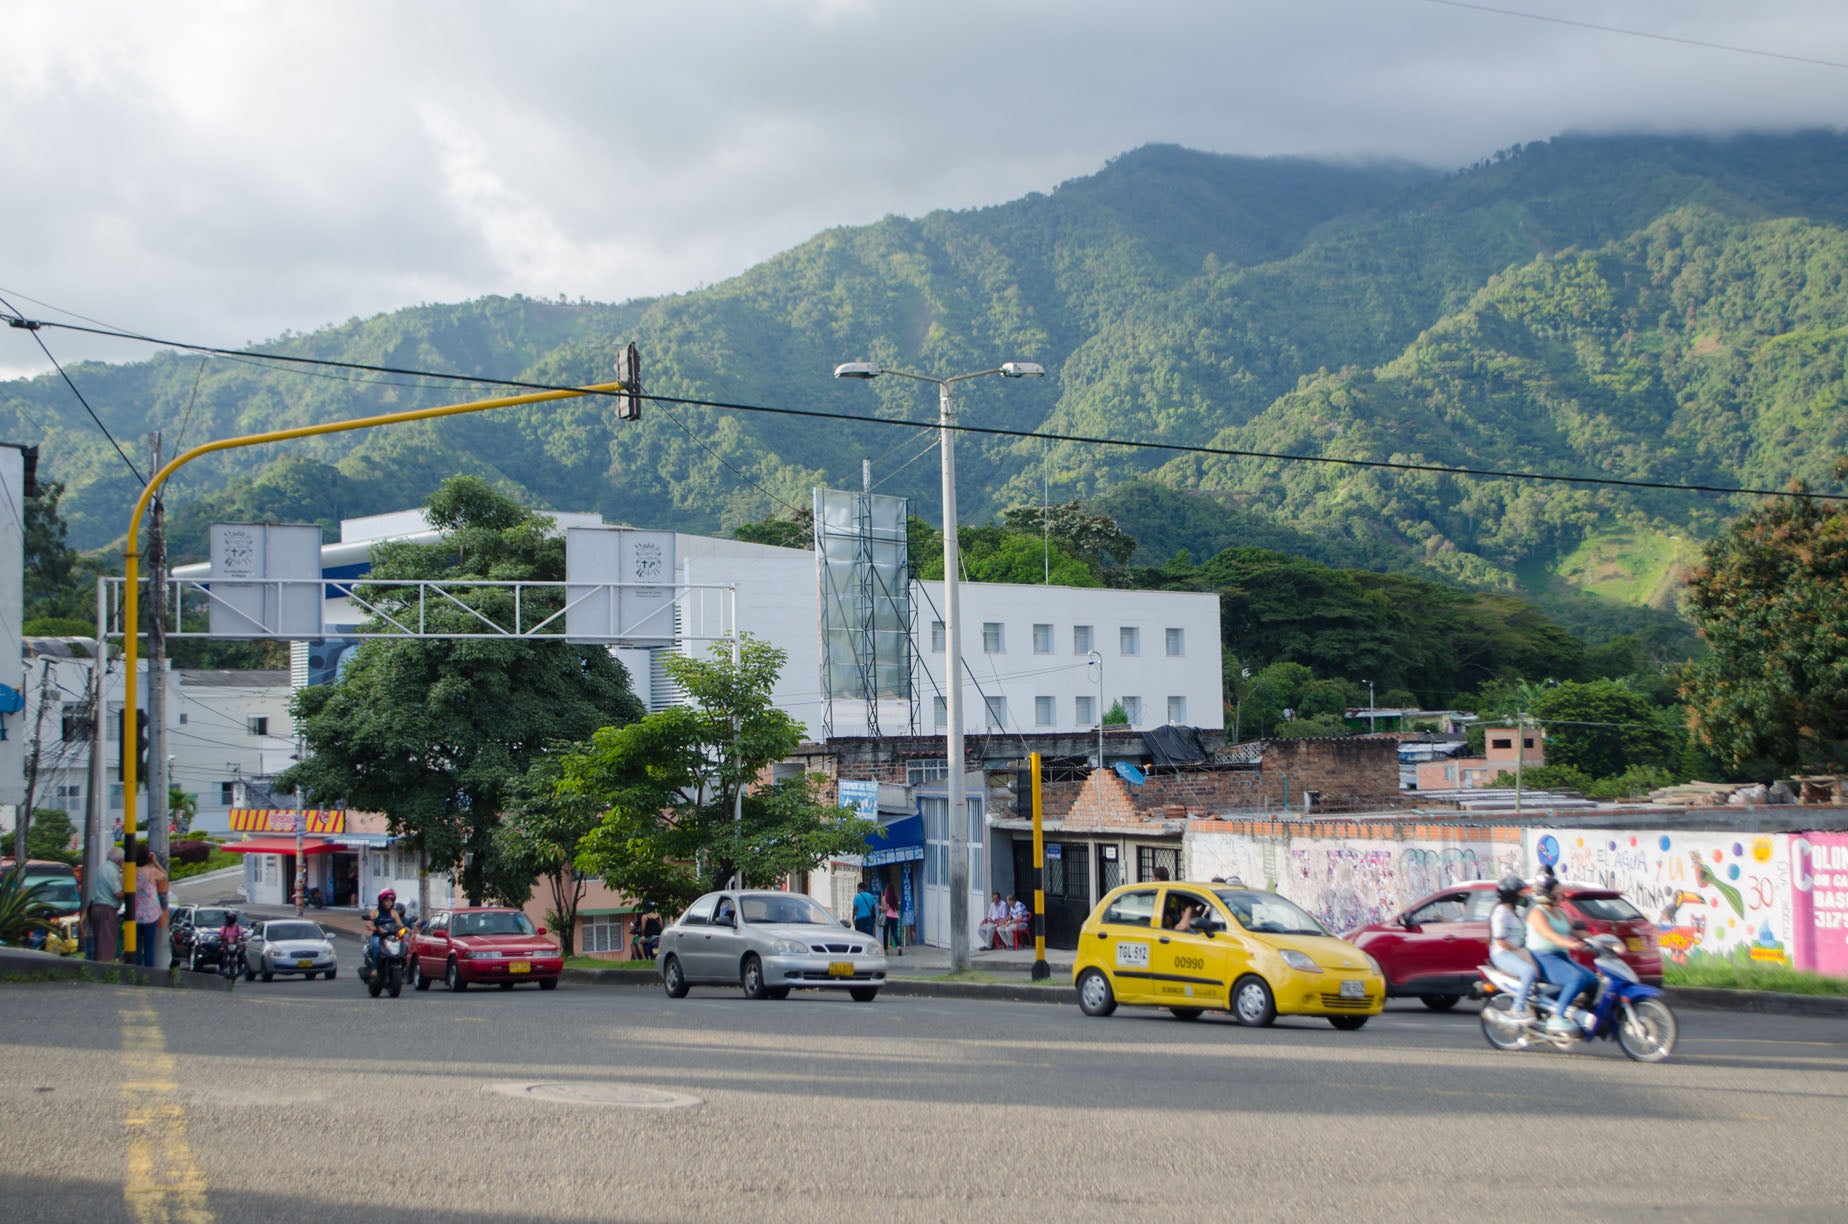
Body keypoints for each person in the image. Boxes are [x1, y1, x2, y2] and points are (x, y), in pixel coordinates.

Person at [1526, 874, 1597, 1034]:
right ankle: (1557, 1017)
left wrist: (1600, 943)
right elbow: (1550, 935)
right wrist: (1571, 944)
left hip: (1561, 956)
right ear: (1547, 894)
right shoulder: (1537, 914)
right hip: (1543, 957)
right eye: (1558, 892)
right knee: (1576, 978)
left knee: (1592, 980)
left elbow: (1577, 931)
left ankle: (1579, 1014)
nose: (1562, 895)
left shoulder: (1560, 912)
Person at [1488, 873, 1539, 1024]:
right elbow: (1500, 941)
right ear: (1511, 894)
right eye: (1520, 892)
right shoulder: (1501, 912)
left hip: (1517, 952)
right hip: (1503, 954)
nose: (1523, 895)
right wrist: (1520, 952)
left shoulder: (1515, 912)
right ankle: (1517, 1008)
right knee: (1528, 971)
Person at [86, 847, 124, 963]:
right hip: (107, 909)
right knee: (107, 945)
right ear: (119, 860)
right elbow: (118, 893)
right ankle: (105, 971)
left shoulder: (102, 868)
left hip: (96, 907)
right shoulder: (112, 871)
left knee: (99, 943)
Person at [132, 845, 167, 967]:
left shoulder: (131, 871)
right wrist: (155, 862)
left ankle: (135, 971)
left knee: (135, 947)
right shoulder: (152, 871)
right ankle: (148, 973)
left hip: (134, 913)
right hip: (150, 914)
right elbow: (165, 876)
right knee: (149, 947)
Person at [363, 888, 402, 973]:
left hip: (391, 937)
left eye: (390, 901)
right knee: (376, 947)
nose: (388, 903)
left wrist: (405, 930)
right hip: (378, 936)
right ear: (381, 901)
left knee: (404, 945)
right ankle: (375, 969)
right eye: (386, 900)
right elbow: (368, 924)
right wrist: (376, 929)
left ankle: (404, 968)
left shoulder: (394, 913)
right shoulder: (375, 912)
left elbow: (400, 925)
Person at [882, 884, 902, 954]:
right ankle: (899, 947)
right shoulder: (895, 898)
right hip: (895, 917)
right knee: (895, 933)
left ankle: (885, 950)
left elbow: (885, 909)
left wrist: (879, 907)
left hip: (888, 917)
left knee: (885, 933)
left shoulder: (885, 897)